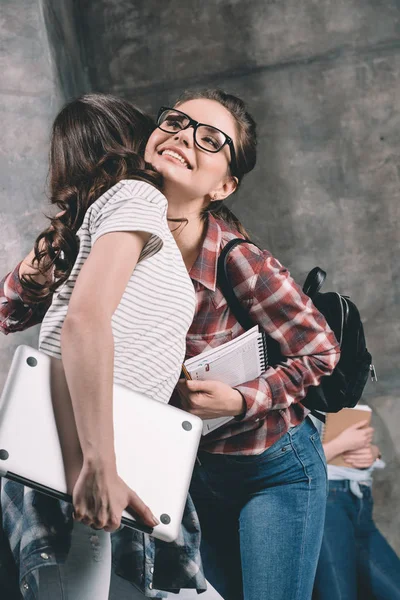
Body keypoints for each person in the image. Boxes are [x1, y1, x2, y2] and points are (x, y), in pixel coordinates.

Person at [1, 89, 340, 600]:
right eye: (177, 122)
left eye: (209, 138)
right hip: (187, 470)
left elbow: (321, 352)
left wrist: (241, 399)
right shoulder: (116, 218)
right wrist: (57, 245)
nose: (185, 135)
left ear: (223, 185)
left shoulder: (236, 259)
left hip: (270, 466)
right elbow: (10, 311)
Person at [0, 93, 204, 600]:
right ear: (134, 143)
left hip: (97, 447)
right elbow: (82, 322)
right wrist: (94, 466)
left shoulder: (104, 218)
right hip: (94, 451)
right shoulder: (137, 196)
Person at [311, 414, 400, 600]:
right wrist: (340, 445)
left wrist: (374, 452)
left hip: (359, 498)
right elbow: (282, 462)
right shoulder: (285, 395)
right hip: (326, 501)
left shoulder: (335, 391)